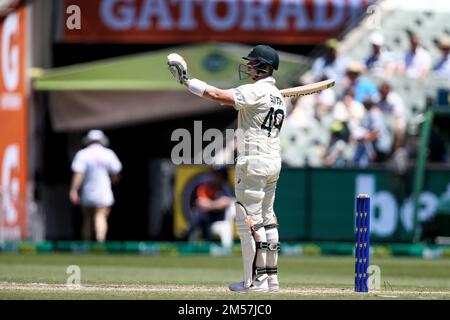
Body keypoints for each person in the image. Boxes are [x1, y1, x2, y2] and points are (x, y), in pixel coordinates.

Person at [168, 45, 284, 292]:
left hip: (254, 161)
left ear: (263, 67)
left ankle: (255, 281)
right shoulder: (278, 96)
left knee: (248, 221)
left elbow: (218, 95)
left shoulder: (257, 91)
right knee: (268, 220)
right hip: (273, 161)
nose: (249, 66)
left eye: (253, 63)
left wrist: (187, 81)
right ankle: (271, 279)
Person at [69, 130, 122, 242]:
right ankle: (100, 241)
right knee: (101, 216)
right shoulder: (108, 153)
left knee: (87, 219)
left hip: (87, 192)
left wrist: (74, 190)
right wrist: (113, 182)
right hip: (103, 192)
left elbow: (78, 174)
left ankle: (86, 244)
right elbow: (116, 173)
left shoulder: (83, 154)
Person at [182, 166, 234, 245]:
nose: (216, 177)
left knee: (202, 215)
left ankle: (189, 230)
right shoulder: (207, 186)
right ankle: (206, 242)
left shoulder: (226, 186)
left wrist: (210, 205)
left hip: (220, 217)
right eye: (215, 174)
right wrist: (215, 204)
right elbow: (200, 202)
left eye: (218, 175)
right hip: (207, 216)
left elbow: (227, 202)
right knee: (202, 215)